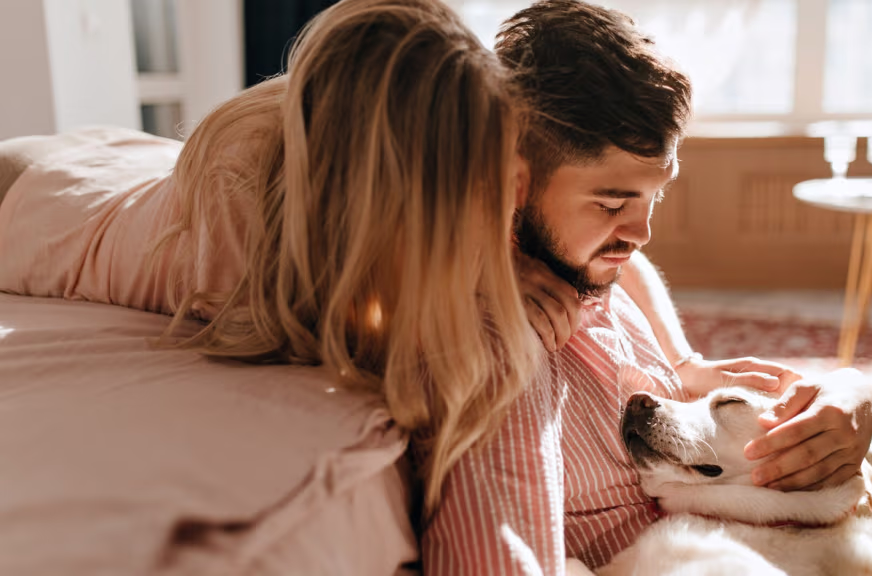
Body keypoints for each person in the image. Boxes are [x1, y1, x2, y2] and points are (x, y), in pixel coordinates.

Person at [420, 1, 872, 575]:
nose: (642, 231)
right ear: (512, 181)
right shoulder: (488, 354)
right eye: (612, 200)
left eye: (655, 194)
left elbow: (652, 306)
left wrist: (846, 395)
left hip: (825, 490)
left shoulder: (580, 256)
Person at [0, 0, 538, 519]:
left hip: (109, 162)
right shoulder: (243, 240)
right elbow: (401, 366)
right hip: (29, 204)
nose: (511, 195)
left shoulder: (315, 163)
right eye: (485, 181)